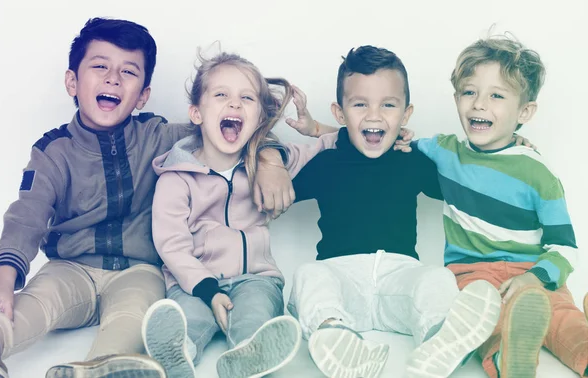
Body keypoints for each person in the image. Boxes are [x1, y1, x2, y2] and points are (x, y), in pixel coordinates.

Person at [0, 18, 293, 378]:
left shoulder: (160, 136)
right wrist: (4, 277)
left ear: (143, 94)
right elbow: (27, 215)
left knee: (132, 319)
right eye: (99, 66)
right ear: (72, 81)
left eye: (128, 72)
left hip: (140, 271)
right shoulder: (53, 151)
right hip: (69, 268)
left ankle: (95, 369)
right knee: (37, 304)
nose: (112, 79)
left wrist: (271, 159)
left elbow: (227, 128)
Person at [283, 45, 502, 378]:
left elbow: (461, 184)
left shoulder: (410, 159)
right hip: (341, 279)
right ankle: (333, 335)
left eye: (388, 105)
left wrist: (506, 145)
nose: (374, 116)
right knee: (308, 275)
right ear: (340, 114)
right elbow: (273, 196)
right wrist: (269, 162)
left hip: (399, 277)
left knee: (435, 277)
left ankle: (439, 339)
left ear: (406, 113)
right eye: (360, 104)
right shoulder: (326, 163)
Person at [140, 51, 342, 378]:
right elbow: (171, 244)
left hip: (256, 280)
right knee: (188, 318)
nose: (235, 104)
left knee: (256, 316)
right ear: (196, 113)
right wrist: (208, 290)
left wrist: (316, 127)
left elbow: (337, 144)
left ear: (260, 118)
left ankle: (250, 356)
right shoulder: (175, 177)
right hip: (194, 283)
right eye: (221, 95)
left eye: (246, 98)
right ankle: (175, 355)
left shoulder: (266, 163)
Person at [412, 35, 587, 378]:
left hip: (531, 274)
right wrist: (324, 130)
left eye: (496, 95)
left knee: (564, 319)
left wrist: (535, 278)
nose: (478, 104)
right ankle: (509, 358)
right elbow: (388, 140)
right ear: (456, 98)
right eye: (469, 92)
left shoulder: (538, 173)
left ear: (524, 111)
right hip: (472, 278)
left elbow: (564, 247)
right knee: (482, 322)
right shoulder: (445, 152)